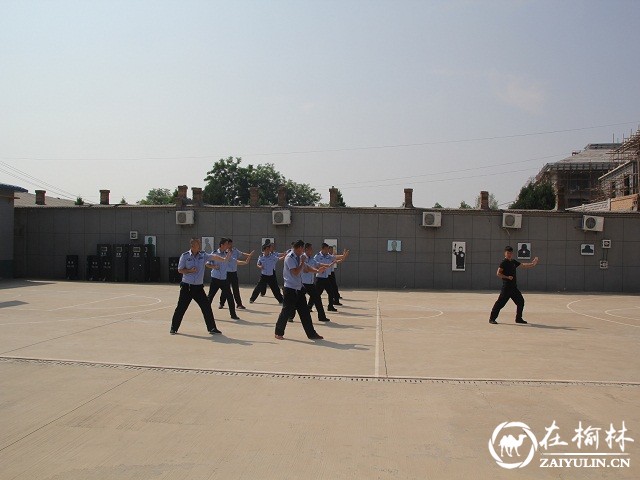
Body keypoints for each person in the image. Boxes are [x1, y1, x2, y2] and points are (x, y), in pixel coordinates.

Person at [169, 238, 223, 335]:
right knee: (181, 308)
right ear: (192, 245)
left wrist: (224, 259)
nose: (200, 245)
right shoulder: (185, 256)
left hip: (198, 288)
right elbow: (180, 270)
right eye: (198, 243)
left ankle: (212, 328)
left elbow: (213, 256)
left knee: (206, 307)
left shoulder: (203, 255)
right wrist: (190, 271)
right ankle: (174, 328)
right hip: (187, 287)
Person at [275, 240, 324, 340]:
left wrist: (317, 270)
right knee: (286, 311)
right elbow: (296, 272)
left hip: (299, 288)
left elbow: (306, 268)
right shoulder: (290, 257)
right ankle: (278, 332)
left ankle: (311, 334)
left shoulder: (299, 257)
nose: (303, 251)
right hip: (290, 289)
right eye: (303, 249)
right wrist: (302, 262)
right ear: (299, 248)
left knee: (305, 312)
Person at [489, 246, 539, 325]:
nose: (509, 254)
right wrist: (507, 277)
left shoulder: (513, 261)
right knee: (500, 303)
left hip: (513, 288)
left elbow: (523, 265)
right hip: (506, 288)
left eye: (510, 253)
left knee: (521, 301)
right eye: (508, 253)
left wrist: (533, 264)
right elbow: (498, 273)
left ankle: (518, 318)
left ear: (512, 254)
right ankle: (492, 319)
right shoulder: (504, 262)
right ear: (505, 253)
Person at [206, 238, 239, 320]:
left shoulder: (227, 254)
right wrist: (213, 266)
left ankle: (233, 315)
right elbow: (207, 264)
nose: (228, 246)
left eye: (228, 244)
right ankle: (206, 313)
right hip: (215, 279)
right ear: (222, 245)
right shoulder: (214, 253)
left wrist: (246, 261)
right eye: (227, 244)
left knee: (230, 297)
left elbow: (234, 261)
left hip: (224, 279)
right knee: (210, 297)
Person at [311, 243, 349, 312]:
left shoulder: (328, 256)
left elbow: (336, 257)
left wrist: (343, 255)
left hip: (326, 278)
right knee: (316, 294)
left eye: (327, 249)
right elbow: (314, 264)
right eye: (326, 249)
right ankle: (309, 306)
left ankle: (330, 307)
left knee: (331, 292)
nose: (327, 250)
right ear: (322, 249)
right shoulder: (317, 256)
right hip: (319, 278)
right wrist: (318, 269)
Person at [219, 238, 254, 310]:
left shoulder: (235, 250)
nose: (230, 245)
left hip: (234, 273)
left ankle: (239, 304)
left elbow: (242, 254)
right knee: (225, 289)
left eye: (231, 244)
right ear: (226, 244)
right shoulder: (224, 252)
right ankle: (221, 303)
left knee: (236, 289)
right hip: (226, 273)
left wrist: (249, 255)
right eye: (229, 244)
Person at [301, 243, 332, 322]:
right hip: (302, 283)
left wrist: (326, 265)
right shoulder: (302, 258)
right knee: (297, 300)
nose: (312, 250)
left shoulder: (311, 258)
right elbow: (306, 269)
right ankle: (290, 316)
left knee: (317, 299)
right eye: (310, 249)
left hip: (310, 283)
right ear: (306, 249)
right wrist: (317, 270)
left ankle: (322, 317)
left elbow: (317, 264)